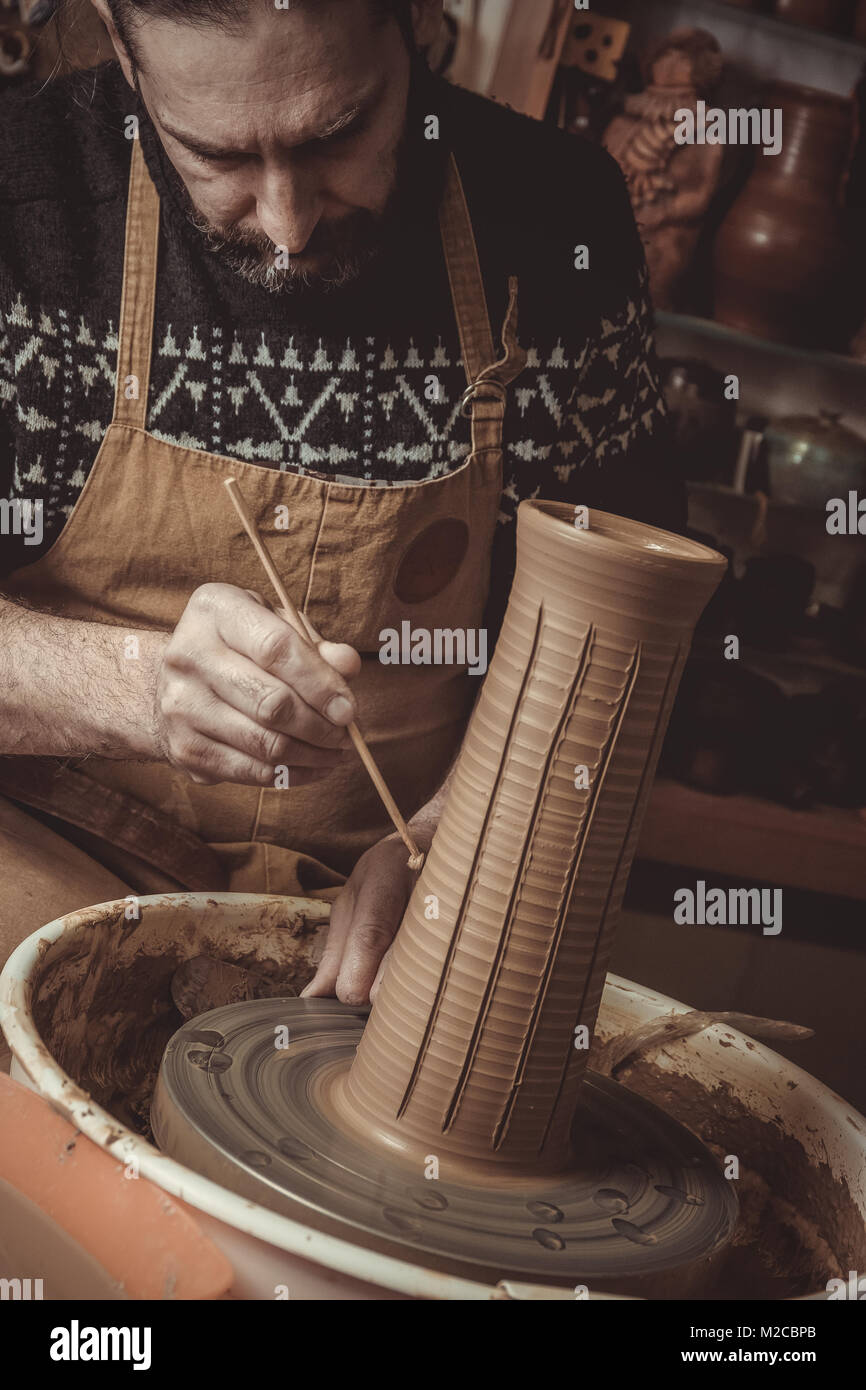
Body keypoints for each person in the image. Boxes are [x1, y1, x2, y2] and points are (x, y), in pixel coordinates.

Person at [0, 0, 683, 1003]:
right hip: (55, 859)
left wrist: (466, 843)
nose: (285, 221)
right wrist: (125, 685)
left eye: (337, 135)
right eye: (216, 154)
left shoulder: (556, 219)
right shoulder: (24, 194)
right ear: (118, 41)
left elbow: (627, 649)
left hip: (380, 925)